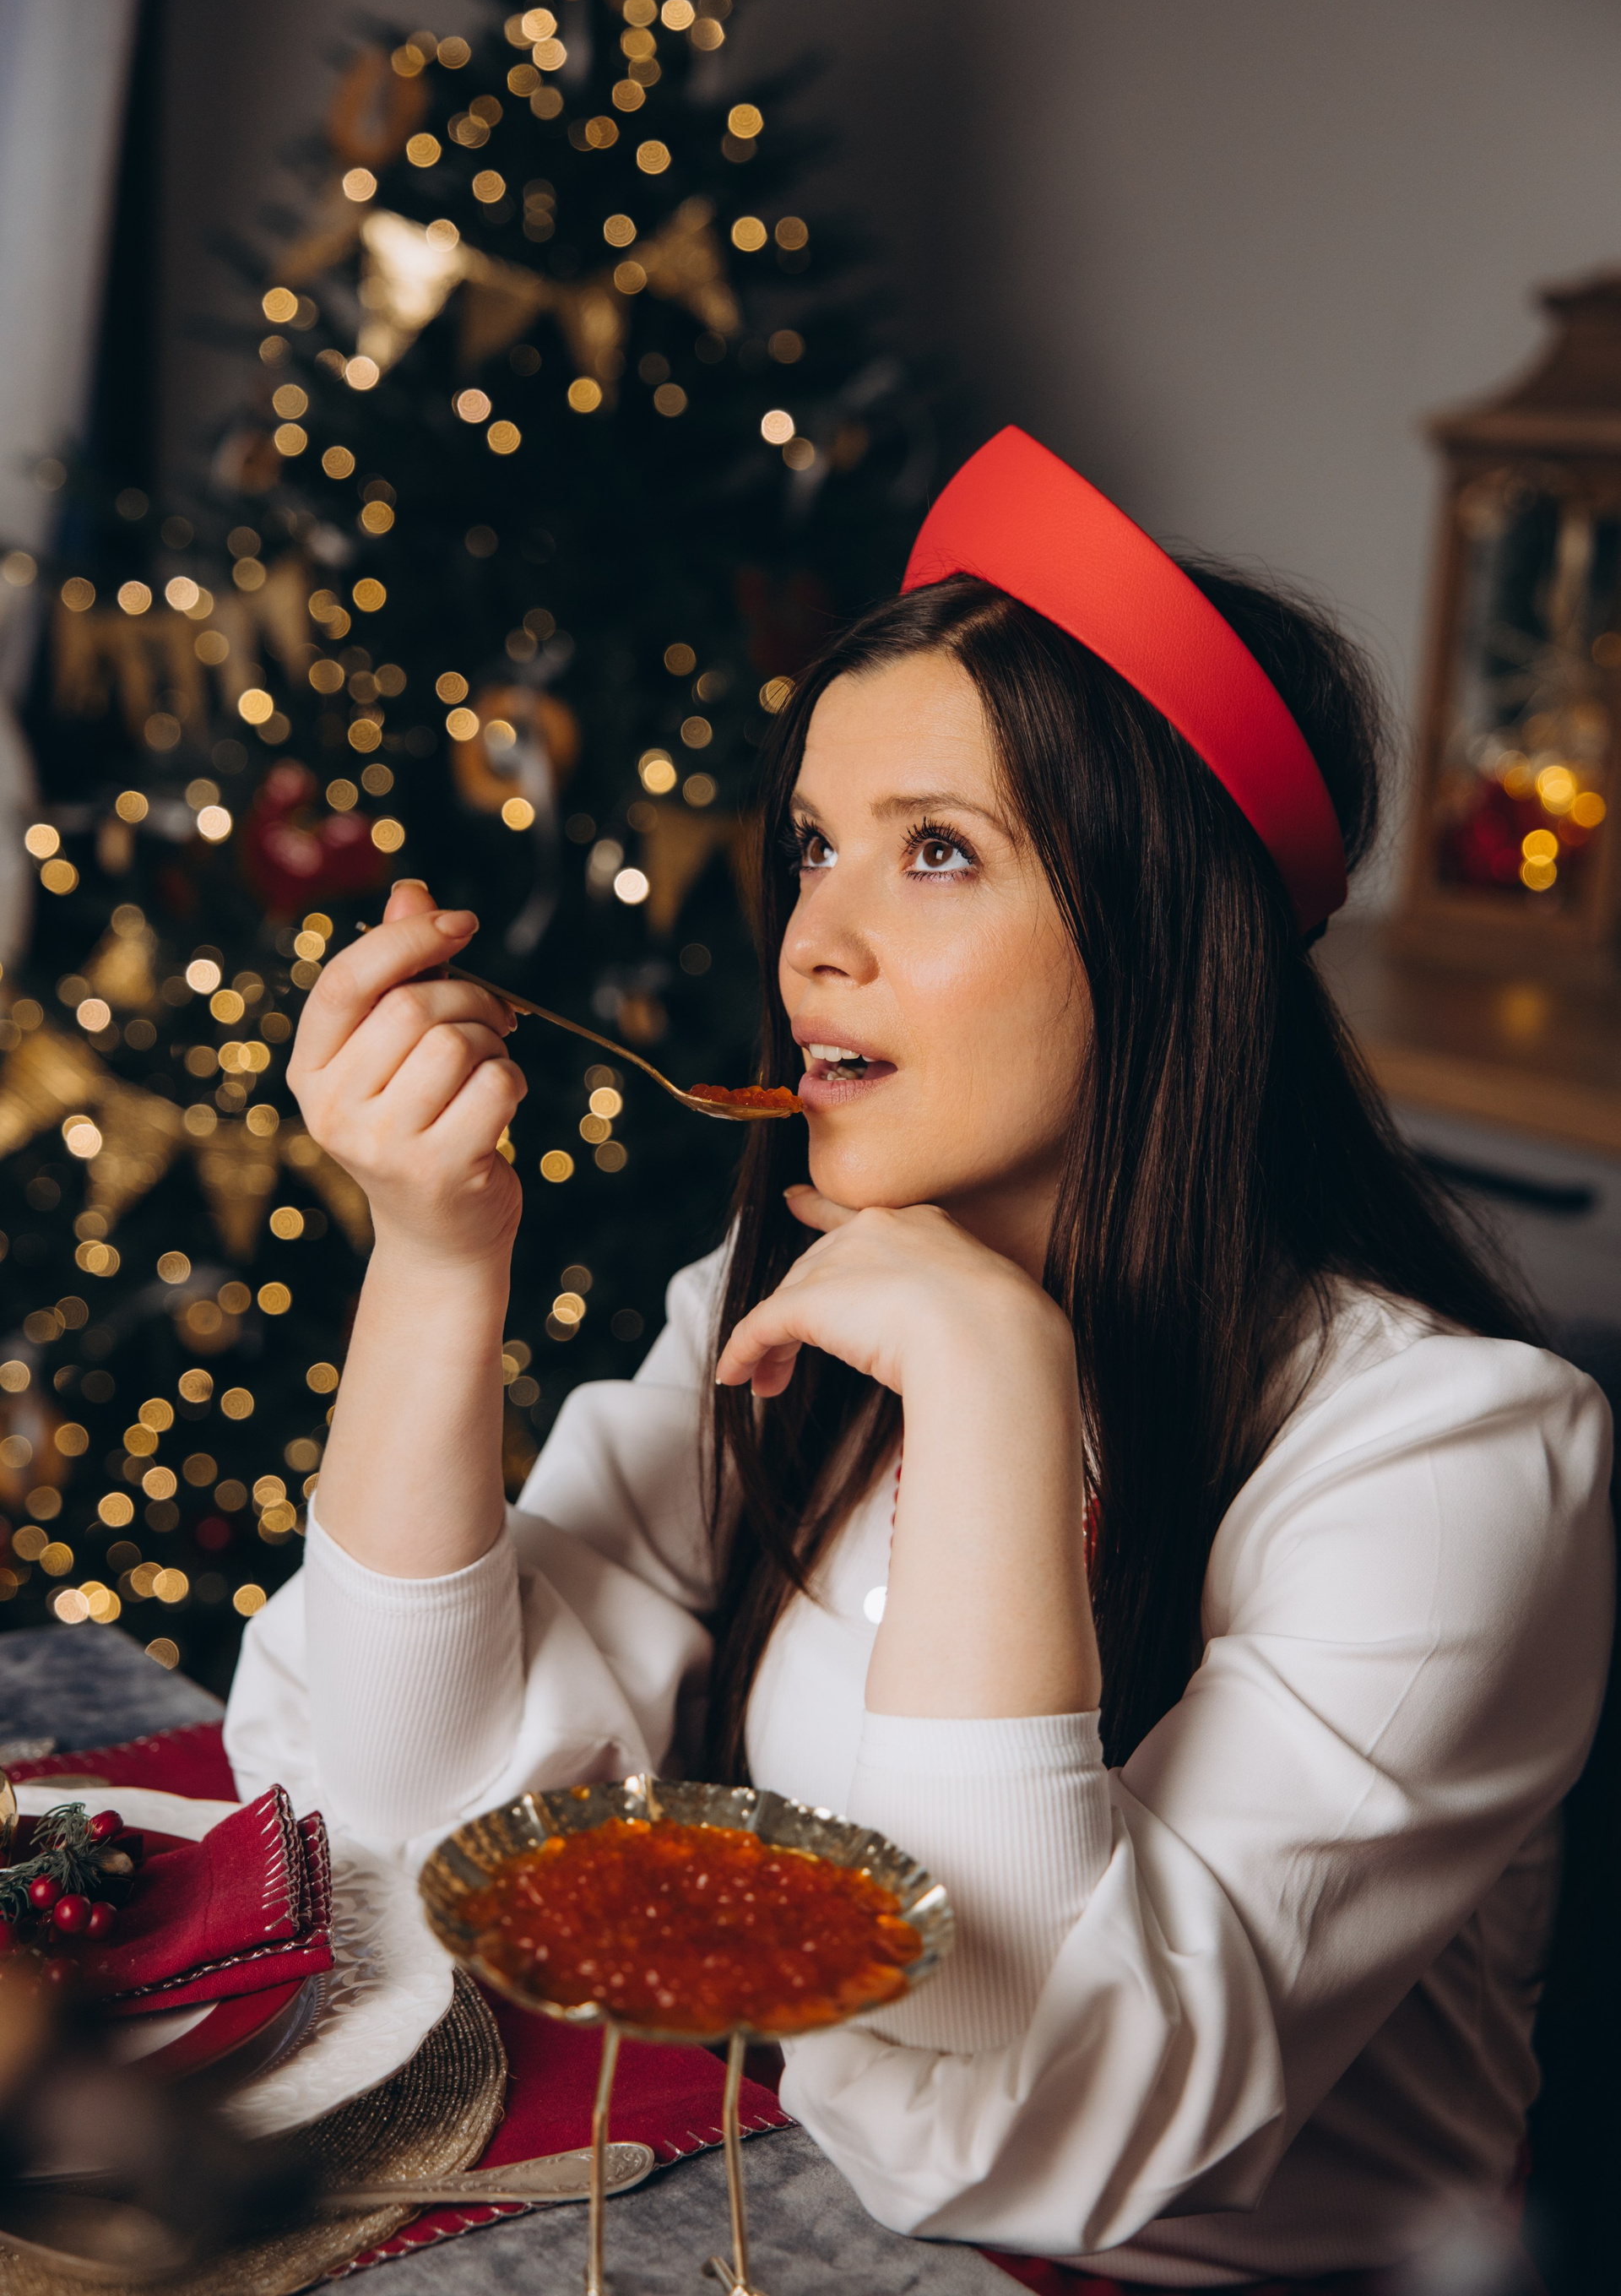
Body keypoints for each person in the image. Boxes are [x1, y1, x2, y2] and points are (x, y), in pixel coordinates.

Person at [225, 429, 1613, 2289]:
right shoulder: (790, 1301)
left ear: (1166, 934)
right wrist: (431, 1253)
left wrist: (995, 1397)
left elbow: (1023, 2128)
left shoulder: (1455, 1459)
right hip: (794, 2218)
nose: (815, 940)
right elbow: (413, 1826)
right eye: (815, 845)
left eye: (937, 852)